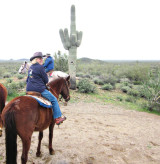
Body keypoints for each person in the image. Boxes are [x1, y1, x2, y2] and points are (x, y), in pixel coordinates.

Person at [26, 52, 66, 125]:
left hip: (29, 89)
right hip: (39, 89)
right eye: (39, 58)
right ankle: (57, 118)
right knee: (54, 99)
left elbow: (27, 79)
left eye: (42, 58)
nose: (41, 60)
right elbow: (46, 80)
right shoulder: (40, 67)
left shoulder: (31, 67)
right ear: (36, 59)